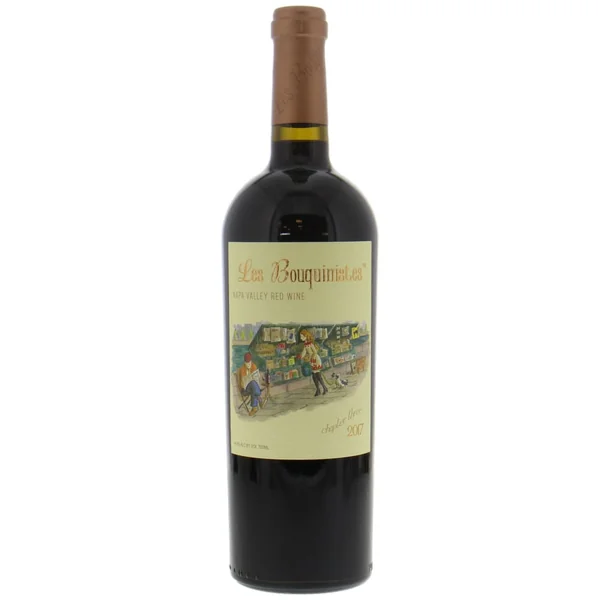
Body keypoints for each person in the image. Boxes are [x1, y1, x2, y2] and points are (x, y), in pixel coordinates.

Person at [299, 329, 328, 396]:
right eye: (300, 336)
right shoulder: (306, 344)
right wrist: (300, 356)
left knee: (317, 375)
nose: (301, 338)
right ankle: (318, 389)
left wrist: (312, 359)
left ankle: (324, 388)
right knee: (314, 375)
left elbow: (315, 352)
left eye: (302, 336)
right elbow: (304, 351)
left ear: (306, 336)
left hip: (316, 359)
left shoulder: (311, 344)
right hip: (312, 360)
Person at [237, 352, 262, 416]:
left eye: (249, 362)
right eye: (247, 363)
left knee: (253, 385)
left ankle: (254, 408)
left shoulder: (254, 366)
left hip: (253, 388)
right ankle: (258, 395)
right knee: (253, 384)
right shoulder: (242, 369)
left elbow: (257, 378)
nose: (248, 364)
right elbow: (241, 383)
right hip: (245, 389)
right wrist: (245, 381)